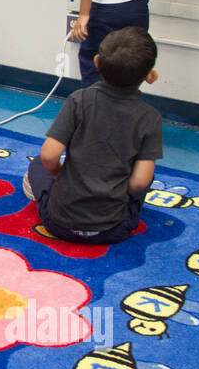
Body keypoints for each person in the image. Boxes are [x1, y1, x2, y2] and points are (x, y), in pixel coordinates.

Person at [23, 27, 162, 245]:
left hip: (59, 223)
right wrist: (115, 191)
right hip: (114, 229)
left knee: (39, 164)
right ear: (150, 76)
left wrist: (60, 175)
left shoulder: (78, 100)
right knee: (147, 173)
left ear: (96, 62)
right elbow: (140, 181)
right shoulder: (150, 117)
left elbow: (49, 156)